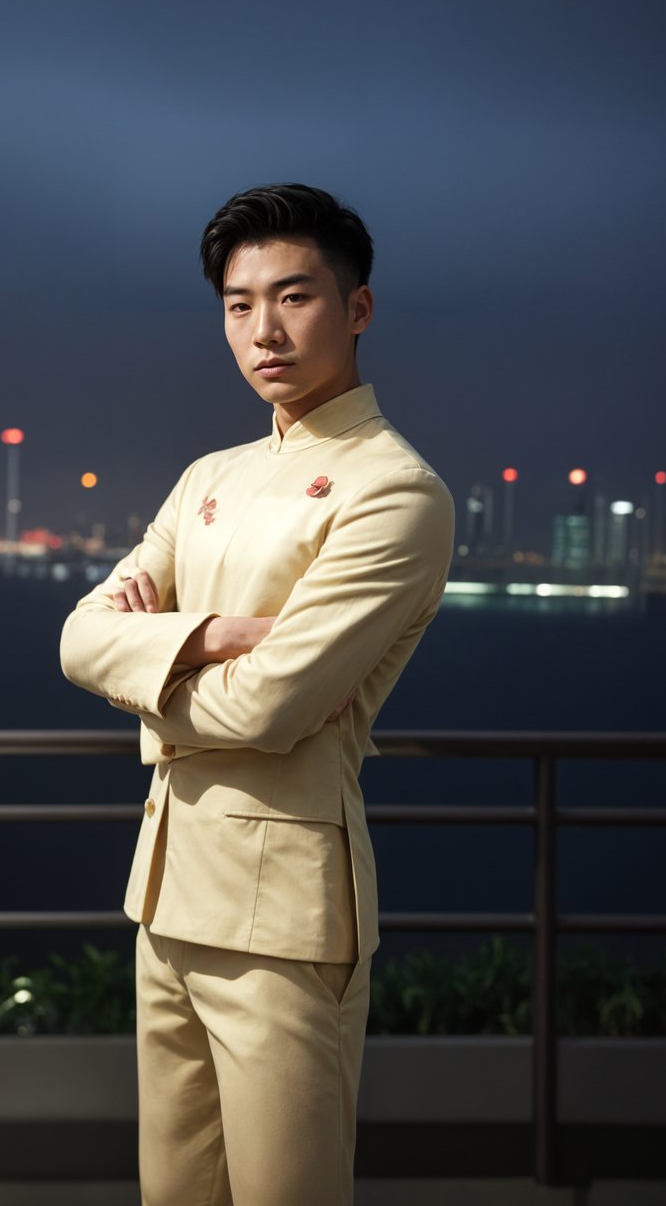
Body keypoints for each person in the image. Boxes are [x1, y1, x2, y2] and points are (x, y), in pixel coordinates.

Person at [59, 183, 455, 1206]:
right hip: (166, 888)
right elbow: (77, 637)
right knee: (174, 1192)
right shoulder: (208, 477)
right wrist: (217, 637)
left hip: (281, 909)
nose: (263, 330)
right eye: (238, 304)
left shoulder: (393, 490)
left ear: (356, 309)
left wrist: (147, 664)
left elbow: (267, 711)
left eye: (293, 296)